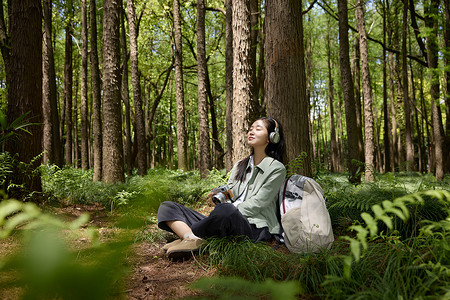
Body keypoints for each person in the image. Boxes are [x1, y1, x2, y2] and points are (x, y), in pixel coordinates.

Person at [157, 117, 286, 260]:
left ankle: (192, 235)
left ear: (271, 137)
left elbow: (260, 203)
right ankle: (192, 238)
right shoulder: (241, 165)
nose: (251, 131)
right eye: (250, 128)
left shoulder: (276, 168)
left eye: (258, 128)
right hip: (223, 219)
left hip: (253, 226)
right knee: (167, 207)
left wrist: (226, 210)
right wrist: (220, 194)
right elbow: (231, 190)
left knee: (226, 211)